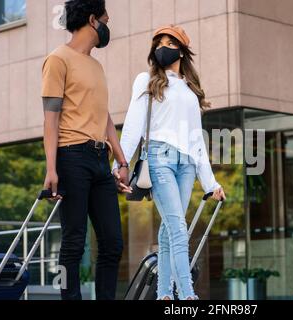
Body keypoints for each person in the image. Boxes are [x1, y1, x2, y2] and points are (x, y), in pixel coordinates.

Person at [113, 25, 226, 300]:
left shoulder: (189, 90)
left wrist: (211, 183)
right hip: (159, 159)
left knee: (167, 233)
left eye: (170, 42)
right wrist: (119, 165)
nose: (163, 46)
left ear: (181, 50)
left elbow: (197, 141)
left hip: (187, 164)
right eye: (159, 42)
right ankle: (188, 296)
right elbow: (133, 126)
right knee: (178, 228)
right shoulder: (146, 81)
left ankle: (164, 295)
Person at [41, 0, 131, 300]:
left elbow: (104, 116)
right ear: (93, 20)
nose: (108, 24)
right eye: (106, 18)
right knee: (73, 243)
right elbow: (50, 118)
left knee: (112, 242)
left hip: (98, 159)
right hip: (71, 157)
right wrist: (51, 169)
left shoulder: (95, 65)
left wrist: (121, 159)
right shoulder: (58, 59)